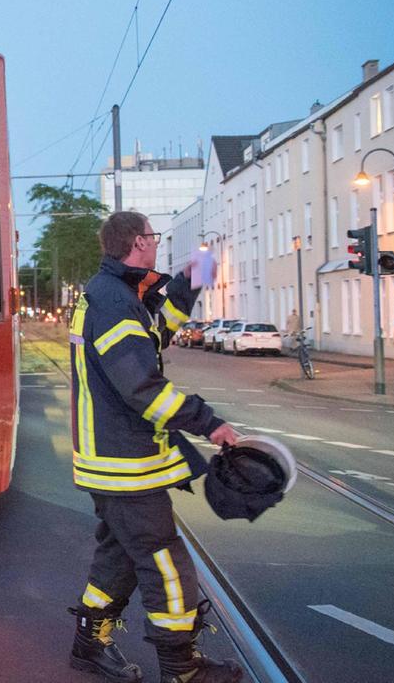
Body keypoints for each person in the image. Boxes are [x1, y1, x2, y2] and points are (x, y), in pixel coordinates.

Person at [68, 212, 241, 683]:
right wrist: (210, 424)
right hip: (123, 464)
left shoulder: (118, 295)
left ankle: (89, 645)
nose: (157, 245)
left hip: (115, 461)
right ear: (138, 243)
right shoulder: (112, 303)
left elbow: (157, 331)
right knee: (164, 561)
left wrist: (195, 276)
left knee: (119, 557)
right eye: (154, 237)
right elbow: (141, 387)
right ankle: (182, 669)